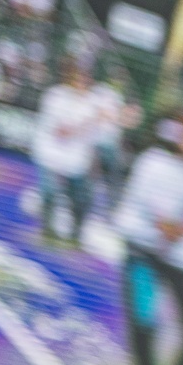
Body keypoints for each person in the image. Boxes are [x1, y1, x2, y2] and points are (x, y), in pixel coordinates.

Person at [111, 113, 183, 365]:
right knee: (145, 320)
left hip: (180, 259)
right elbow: (167, 225)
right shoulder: (154, 164)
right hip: (144, 252)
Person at [32, 56, 110, 244]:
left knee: (81, 199)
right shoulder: (55, 96)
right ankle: (48, 230)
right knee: (50, 193)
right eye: (79, 76)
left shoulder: (94, 101)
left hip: (76, 161)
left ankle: (76, 233)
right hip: (50, 155)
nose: (83, 80)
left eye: (86, 77)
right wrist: (93, 119)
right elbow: (63, 132)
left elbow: (104, 132)